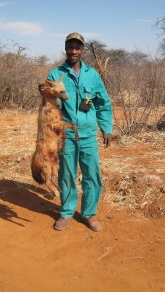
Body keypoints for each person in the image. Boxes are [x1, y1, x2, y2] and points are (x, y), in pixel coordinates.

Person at [46, 32, 113, 232]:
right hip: (65, 134)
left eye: (77, 47)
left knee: (92, 174)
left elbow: (103, 102)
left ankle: (89, 214)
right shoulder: (55, 74)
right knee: (67, 173)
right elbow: (49, 106)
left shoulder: (92, 75)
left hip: (88, 134)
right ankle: (66, 212)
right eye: (70, 47)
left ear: (82, 50)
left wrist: (106, 128)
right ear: (65, 48)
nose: (73, 51)